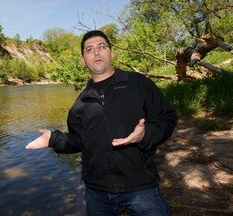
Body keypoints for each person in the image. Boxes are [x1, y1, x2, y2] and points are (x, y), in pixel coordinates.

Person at [25, 30, 177, 216]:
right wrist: (52, 140)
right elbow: (78, 141)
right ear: (83, 60)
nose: (96, 52)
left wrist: (146, 135)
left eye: (102, 47)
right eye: (90, 49)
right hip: (97, 193)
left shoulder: (138, 84)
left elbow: (167, 117)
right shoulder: (80, 104)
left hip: (140, 186)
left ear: (112, 54)